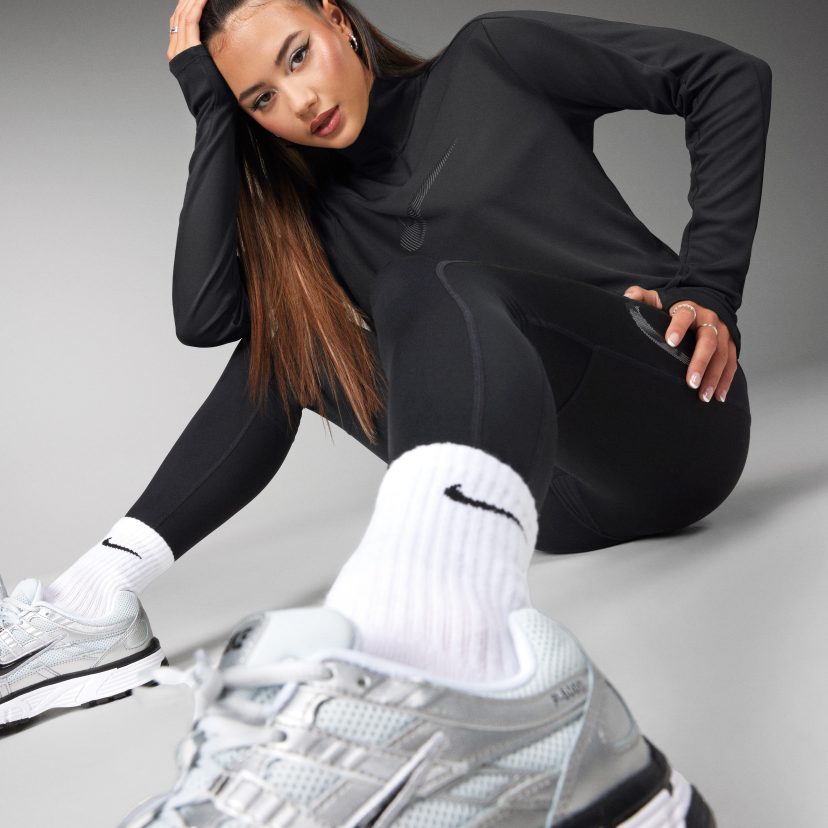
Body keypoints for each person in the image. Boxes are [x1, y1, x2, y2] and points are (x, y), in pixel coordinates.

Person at [1, 0, 771, 823]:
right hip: (545, 499)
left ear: (337, 20)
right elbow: (205, 316)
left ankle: (429, 652)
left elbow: (726, 76)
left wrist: (708, 286)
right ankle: (94, 601)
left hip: (672, 419)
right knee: (287, 341)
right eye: (261, 98)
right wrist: (210, 111)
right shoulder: (317, 213)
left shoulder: (495, 58)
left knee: (429, 283)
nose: (299, 102)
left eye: (297, 56)